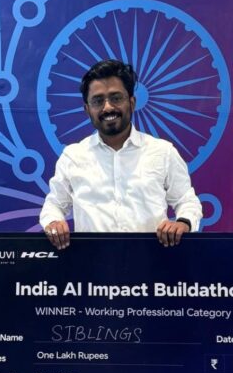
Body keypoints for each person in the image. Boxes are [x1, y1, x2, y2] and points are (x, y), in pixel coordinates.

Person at [39, 59, 203, 250]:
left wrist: (183, 222)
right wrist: (54, 222)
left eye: (116, 98)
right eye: (98, 101)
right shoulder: (73, 156)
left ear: (131, 102)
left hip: (153, 262)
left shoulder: (163, 152)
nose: (108, 107)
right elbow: (54, 204)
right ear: (87, 109)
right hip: (90, 264)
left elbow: (187, 201)